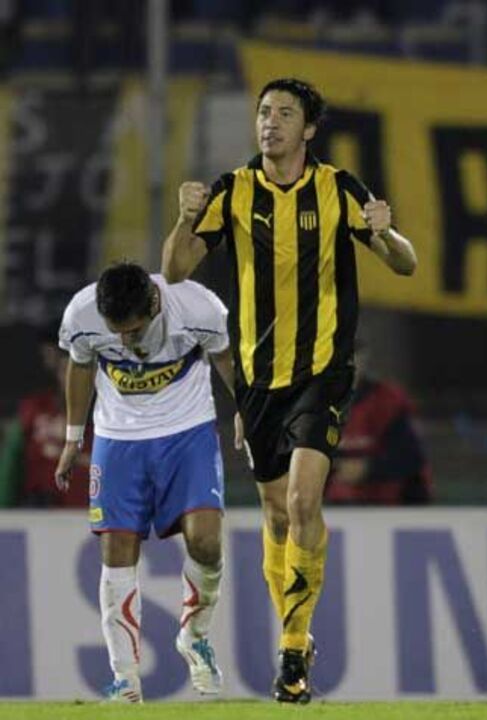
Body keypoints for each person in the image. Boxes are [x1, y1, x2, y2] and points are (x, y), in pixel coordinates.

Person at [161, 77, 417, 704]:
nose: (270, 122)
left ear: (308, 129)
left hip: (323, 371)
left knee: (304, 501)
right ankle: (293, 636)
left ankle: (294, 649)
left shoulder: (336, 189)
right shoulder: (233, 191)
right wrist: (184, 218)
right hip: (255, 380)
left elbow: (405, 263)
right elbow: (173, 271)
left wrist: (384, 232)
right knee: (277, 513)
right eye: (263, 112)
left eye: (284, 114)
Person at [55, 262, 237, 703]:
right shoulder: (82, 313)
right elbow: (80, 366)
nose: (123, 342)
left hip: (188, 429)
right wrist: (73, 438)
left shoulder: (197, 307)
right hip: (119, 438)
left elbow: (226, 356)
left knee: (207, 543)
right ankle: (125, 679)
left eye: (133, 332)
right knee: (116, 550)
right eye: (115, 332)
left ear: (154, 305)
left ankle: (195, 635)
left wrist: (247, 412)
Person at [324, 340, 431, 505]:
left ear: (363, 359)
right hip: (334, 505)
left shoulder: (387, 401)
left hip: (389, 503)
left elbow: (410, 457)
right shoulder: (314, 403)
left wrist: (368, 469)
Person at [0, 322, 92, 508]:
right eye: (65, 370)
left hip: (95, 516)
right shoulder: (34, 409)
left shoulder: (114, 417)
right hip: (39, 516)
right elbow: (11, 465)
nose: (71, 378)